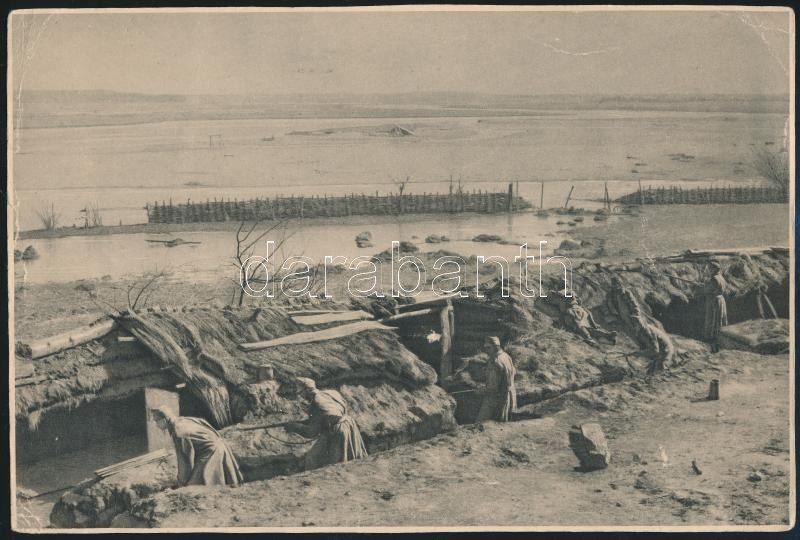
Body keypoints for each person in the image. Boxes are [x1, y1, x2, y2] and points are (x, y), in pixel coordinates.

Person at [150, 405, 244, 487]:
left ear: (164, 420)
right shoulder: (184, 420)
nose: (155, 424)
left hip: (211, 452)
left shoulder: (178, 432)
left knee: (193, 487)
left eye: (156, 421)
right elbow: (203, 423)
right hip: (219, 445)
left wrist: (181, 482)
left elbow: (185, 461)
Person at [285, 377, 368, 469]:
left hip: (336, 431)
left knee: (314, 459)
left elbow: (312, 432)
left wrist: (296, 427)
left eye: (300, 392)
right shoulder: (331, 393)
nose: (300, 396)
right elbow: (331, 413)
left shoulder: (316, 404)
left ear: (307, 390)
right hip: (347, 425)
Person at [476, 337, 517, 422]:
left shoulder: (495, 362)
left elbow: (492, 388)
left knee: (481, 423)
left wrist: (480, 390)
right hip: (509, 395)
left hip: (496, 399)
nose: (486, 351)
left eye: (488, 348)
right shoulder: (506, 356)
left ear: (495, 347)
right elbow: (513, 373)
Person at [702, 260, 728, 353]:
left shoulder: (714, 279)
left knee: (713, 320)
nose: (708, 270)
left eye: (710, 268)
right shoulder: (721, 277)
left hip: (714, 302)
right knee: (719, 320)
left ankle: (713, 343)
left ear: (714, 269)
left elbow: (707, 290)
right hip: (720, 300)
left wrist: (703, 287)